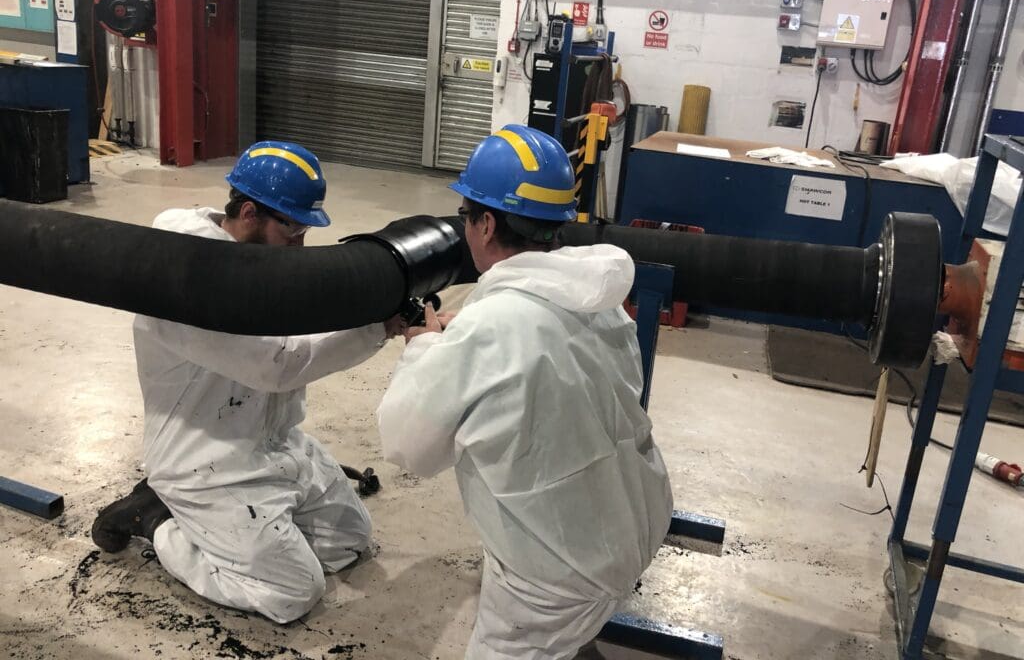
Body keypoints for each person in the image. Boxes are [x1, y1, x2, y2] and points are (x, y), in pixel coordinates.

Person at [376, 125, 674, 659]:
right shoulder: (596, 297)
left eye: (468, 216)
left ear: (486, 224)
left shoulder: (489, 330)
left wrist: (424, 351)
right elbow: (531, 354)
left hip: (559, 574)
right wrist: (461, 340)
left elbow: (407, 447)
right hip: (636, 521)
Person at [91, 141, 405, 624]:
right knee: (294, 592)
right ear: (251, 212)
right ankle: (154, 521)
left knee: (349, 540)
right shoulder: (187, 278)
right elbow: (277, 366)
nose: (300, 245)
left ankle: (243, 534)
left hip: (269, 442)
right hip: (205, 462)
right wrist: (376, 330)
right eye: (292, 229)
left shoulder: (255, 267)